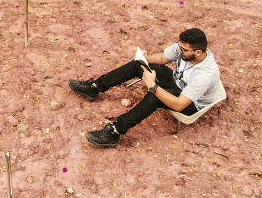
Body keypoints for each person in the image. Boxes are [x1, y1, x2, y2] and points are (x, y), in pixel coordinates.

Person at [68, 28, 221, 147]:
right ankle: (94, 87)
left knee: (154, 96)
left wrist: (153, 86)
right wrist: (145, 59)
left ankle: (114, 132)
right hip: (178, 82)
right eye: (179, 47)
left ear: (199, 52)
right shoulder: (186, 48)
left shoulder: (205, 74)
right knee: (139, 65)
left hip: (190, 103)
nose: (179, 51)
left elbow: (179, 103)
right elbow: (162, 58)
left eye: (183, 50)